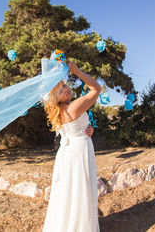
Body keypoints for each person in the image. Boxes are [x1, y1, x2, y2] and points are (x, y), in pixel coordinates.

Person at [42, 60, 101, 232]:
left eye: (65, 86)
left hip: (67, 154)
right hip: (78, 151)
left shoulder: (58, 113)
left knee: (68, 193)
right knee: (80, 192)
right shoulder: (73, 107)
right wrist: (78, 72)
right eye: (61, 90)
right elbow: (96, 89)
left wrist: (88, 129)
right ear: (56, 98)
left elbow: (72, 129)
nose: (67, 89)